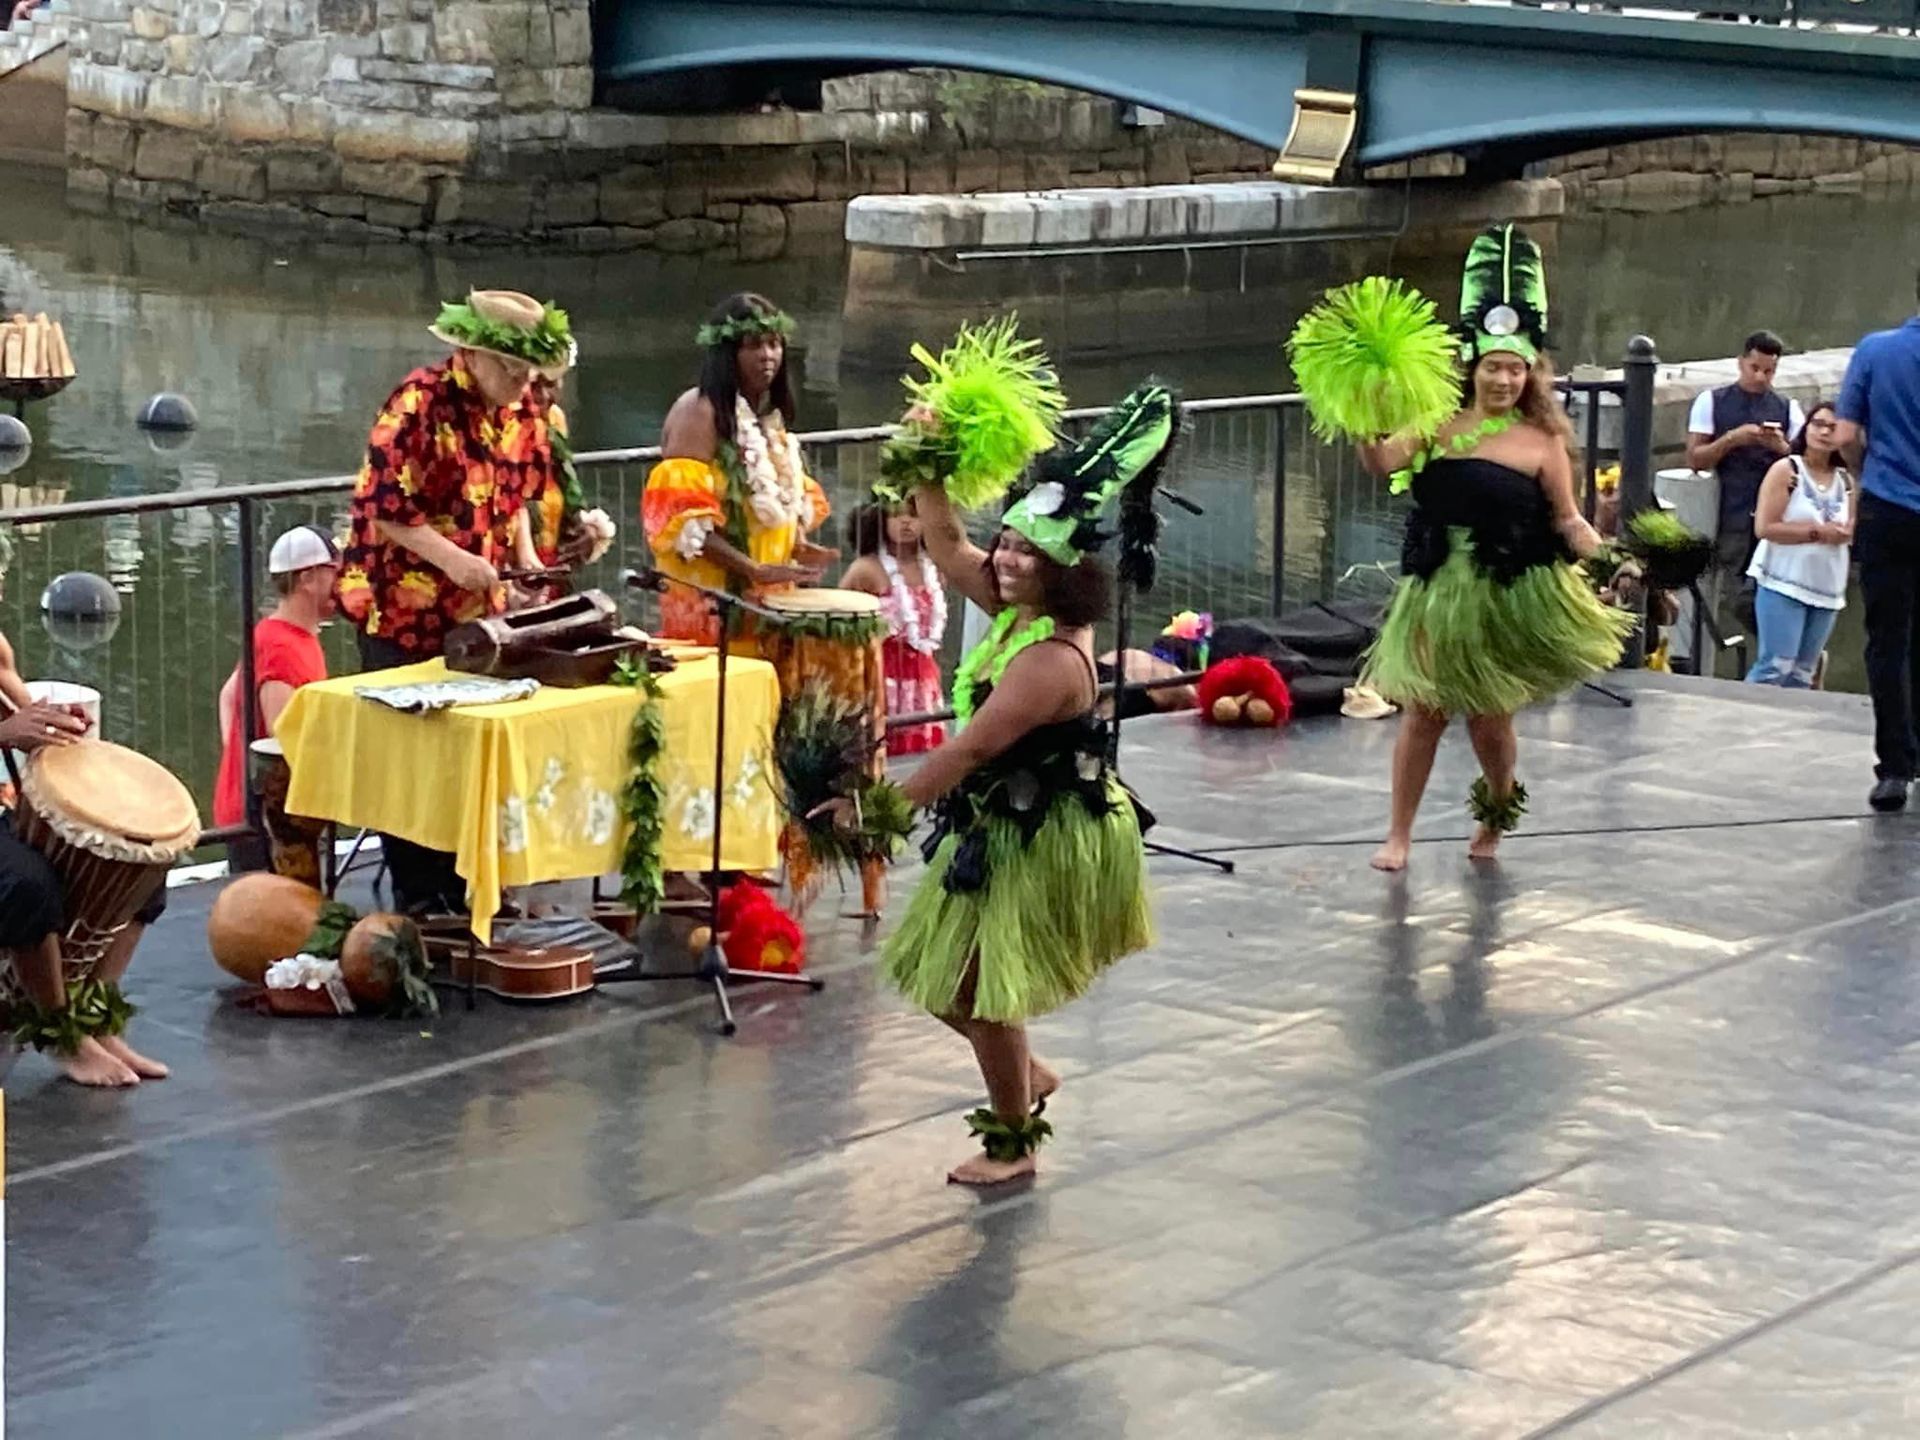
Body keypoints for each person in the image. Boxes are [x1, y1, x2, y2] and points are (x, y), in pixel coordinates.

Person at [829, 383, 1173, 1186]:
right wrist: (924, 452)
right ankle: (1025, 1080)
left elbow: (968, 752)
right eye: (1010, 542)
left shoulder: (1050, 659)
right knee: (947, 983)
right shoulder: (1012, 603)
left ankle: (1012, 1145)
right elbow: (946, 539)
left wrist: (876, 811)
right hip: (1002, 820)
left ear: (1065, 571)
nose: (1008, 558)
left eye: (1028, 552)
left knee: (977, 991)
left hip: (1046, 831)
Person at [1346, 225, 1633, 871]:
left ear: (1530, 372)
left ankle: (1497, 812)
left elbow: (1568, 521)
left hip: (1503, 595)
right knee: (1423, 712)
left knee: (1488, 722)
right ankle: (1399, 835)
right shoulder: (1436, 421)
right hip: (1436, 590)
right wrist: (1361, 414)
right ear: (1472, 367)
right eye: (1493, 366)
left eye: (1515, 368)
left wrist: (1614, 560)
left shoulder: (1541, 441)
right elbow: (1380, 460)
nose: (1504, 378)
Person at [335, 287, 569, 911]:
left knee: (468, 749)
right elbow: (385, 510)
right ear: (471, 353)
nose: (523, 383)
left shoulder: (522, 410)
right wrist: (456, 561)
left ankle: (470, 883)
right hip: (403, 607)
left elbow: (517, 494)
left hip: (479, 613)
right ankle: (419, 893)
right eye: (511, 369)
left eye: (530, 373)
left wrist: (525, 561)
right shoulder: (417, 403)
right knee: (412, 751)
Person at [642, 292, 836, 646]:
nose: (768, 356)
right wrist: (752, 570)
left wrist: (798, 544)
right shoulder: (699, 412)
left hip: (766, 598)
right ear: (728, 353)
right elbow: (687, 523)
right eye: (753, 345)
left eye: (774, 344)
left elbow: (771, 503)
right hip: (714, 600)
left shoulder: (765, 417)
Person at [1835, 279, 1920, 811]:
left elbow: (1845, 435)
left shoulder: (1877, 350)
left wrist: (1869, 474)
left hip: (1888, 510)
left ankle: (1894, 768)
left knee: (1888, 640)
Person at [212, 525, 338, 829]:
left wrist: (236, 759)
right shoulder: (282, 650)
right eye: (337, 572)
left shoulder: (270, 632)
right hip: (268, 819)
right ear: (307, 578)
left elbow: (228, 696)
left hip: (243, 804)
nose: (346, 583)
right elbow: (282, 740)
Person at [1745, 401, 1853, 688]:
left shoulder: (1847, 481)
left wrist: (1846, 533)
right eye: (1818, 424)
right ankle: (1744, 723)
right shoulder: (1787, 470)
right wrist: (1818, 533)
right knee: (1774, 666)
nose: (1824, 432)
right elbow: (1765, 527)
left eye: (1833, 427)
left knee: (1803, 673)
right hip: (1784, 581)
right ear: (1806, 427)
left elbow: (1854, 526)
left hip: (1827, 586)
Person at [1686, 331, 1806, 581]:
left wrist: (1781, 447)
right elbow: (1696, 459)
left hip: (1774, 517)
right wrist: (1732, 439)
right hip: (1728, 513)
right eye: (1754, 368)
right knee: (1727, 586)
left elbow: (1806, 466)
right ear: (1740, 363)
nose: (1760, 377)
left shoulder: (1788, 408)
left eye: (1768, 371)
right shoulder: (1711, 401)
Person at [840, 496, 948, 754]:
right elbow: (838, 624)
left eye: (914, 514)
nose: (906, 521)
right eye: (895, 514)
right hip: (878, 677)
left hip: (923, 678)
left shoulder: (935, 570)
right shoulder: (865, 569)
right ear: (880, 519)